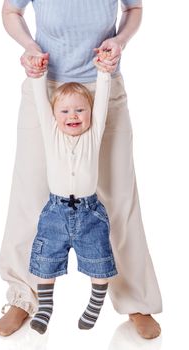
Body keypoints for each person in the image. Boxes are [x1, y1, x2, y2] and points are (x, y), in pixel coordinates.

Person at [0, 0, 162, 339]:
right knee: (31, 195)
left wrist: (121, 41)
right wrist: (30, 47)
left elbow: (134, 9)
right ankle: (22, 296)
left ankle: (135, 300)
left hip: (103, 85)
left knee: (119, 197)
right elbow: (11, 12)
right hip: (46, 85)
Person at [29, 65, 117, 334]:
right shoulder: (51, 133)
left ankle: (95, 303)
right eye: (65, 111)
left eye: (80, 110)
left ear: (90, 114)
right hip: (55, 212)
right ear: (55, 116)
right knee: (46, 261)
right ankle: (45, 308)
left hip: (90, 213)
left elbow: (101, 102)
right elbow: (41, 103)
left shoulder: (93, 134)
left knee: (99, 260)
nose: (73, 116)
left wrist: (104, 73)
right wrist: (38, 75)